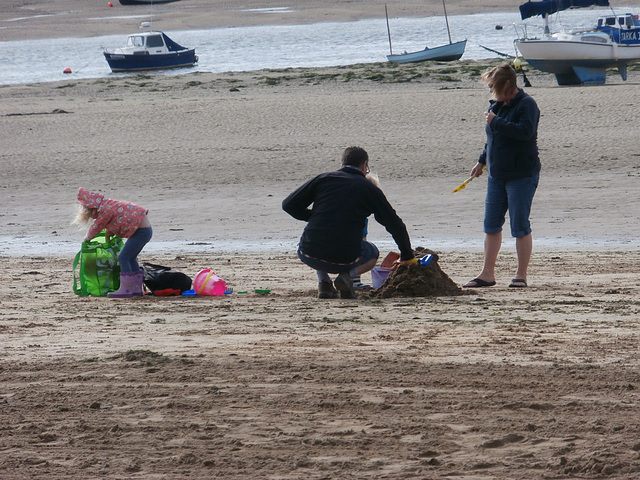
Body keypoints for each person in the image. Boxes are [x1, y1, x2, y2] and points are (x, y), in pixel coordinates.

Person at [282, 146, 415, 299]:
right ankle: (347, 276)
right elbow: (394, 223)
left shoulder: (323, 179)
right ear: (364, 165)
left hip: (309, 253)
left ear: (343, 163)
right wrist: (406, 254)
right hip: (345, 258)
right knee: (372, 251)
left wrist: (314, 217)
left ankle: (323, 282)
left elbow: (289, 205)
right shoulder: (369, 188)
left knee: (318, 236)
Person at [463, 63, 541, 289]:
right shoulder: (496, 106)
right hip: (496, 175)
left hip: (522, 174)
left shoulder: (527, 104)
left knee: (519, 225)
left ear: (507, 85)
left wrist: (495, 121)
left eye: (493, 86)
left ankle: (521, 275)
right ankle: (487, 274)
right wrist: (481, 161)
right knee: (491, 225)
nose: (491, 91)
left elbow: (525, 133)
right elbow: (493, 140)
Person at [75, 188, 152, 298]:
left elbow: (98, 225)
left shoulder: (105, 209)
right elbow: (116, 218)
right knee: (131, 258)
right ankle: (136, 288)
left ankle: (127, 289)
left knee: (123, 257)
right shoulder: (109, 205)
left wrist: (87, 238)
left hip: (141, 232)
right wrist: (109, 232)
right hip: (144, 231)